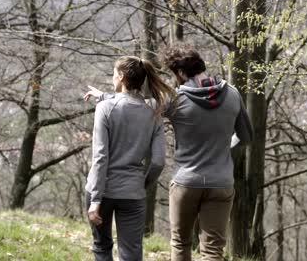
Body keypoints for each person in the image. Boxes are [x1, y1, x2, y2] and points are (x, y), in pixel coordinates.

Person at [85, 44, 253, 261]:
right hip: (221, 182)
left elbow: (136, 107)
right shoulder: (232, 94)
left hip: (186, 182)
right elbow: (246, 136)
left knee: (181, 243)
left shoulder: (176, 99)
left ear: (181, 72)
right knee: (213, 251)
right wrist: (223, 149)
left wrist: (104, 98)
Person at [84, 56, 177, 261]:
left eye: (114, 74)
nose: (112, 78)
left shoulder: (106, 109)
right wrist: (142, 183)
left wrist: (96, 199)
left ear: (122, 77)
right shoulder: (154, 111)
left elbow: (100, 157)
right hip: (133, 193)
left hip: (102, 191)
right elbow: (158, 161)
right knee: (132, 253)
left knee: (102, 247)